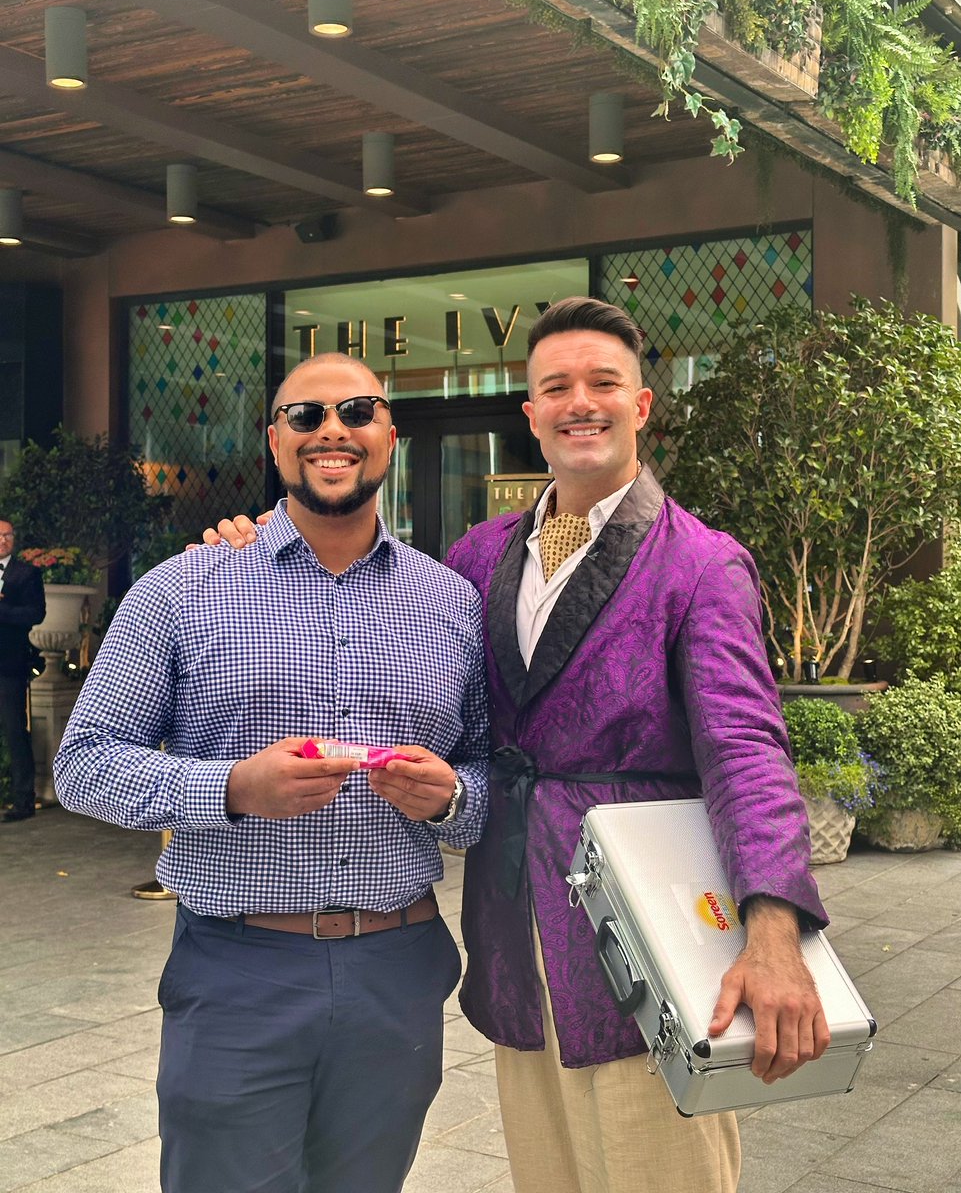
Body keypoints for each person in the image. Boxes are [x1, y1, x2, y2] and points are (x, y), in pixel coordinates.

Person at [205, 299, 831, 1193]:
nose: (581, 403)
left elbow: (746, 750)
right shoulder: (478, 555)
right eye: (555, 388)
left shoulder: (700, 563)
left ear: (641, 406)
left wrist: (775, 932)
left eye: (602, 383)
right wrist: (253, 541)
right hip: (513, 926)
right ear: (529, 414)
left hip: (641, 922)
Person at [53, 353, 489, 1193]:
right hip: (238, 967)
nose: (333, 428)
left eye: (358, 411)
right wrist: (227, 790)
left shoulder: (451, 602)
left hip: (396, 969)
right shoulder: (182, 589)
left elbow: (488, 775)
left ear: (389, 436)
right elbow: (84, 764)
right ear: (274, 441)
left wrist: (454, 799)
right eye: (305, 414)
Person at [0, 519, 45, 823]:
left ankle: (23, 800)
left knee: (15, 731)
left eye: (7, 535)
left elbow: (36, 613)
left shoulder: (26, 573)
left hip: (10, 663)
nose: (3, 540)